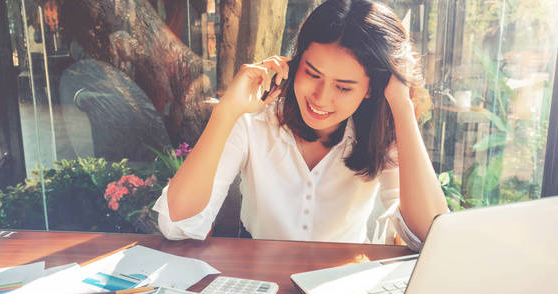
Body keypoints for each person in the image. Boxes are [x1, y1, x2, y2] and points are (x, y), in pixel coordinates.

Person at [153, 0, 448, 251]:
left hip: (342, 284)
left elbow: (431, 236)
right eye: (312, 73)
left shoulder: (381, 132)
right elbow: (177, 224)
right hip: (261, 280)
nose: (321, 98)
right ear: (296, 62)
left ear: (372, 88)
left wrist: (401, 104)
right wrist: (227, 111)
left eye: (343, 87)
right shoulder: (254, 120)